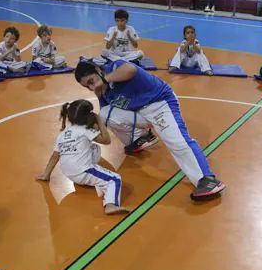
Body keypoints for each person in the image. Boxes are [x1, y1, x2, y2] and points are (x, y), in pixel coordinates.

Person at [74, 60, 226, 200]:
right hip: (139, 112)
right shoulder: (101, 90)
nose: (92, 87)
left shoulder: (114, 68)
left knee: (177, 142)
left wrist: (106, 79)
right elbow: (105, 115)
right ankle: (140, 139)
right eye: (87, 86)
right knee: (105, 114)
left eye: (91, 82)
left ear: (97, 70)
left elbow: (131, 69)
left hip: (160, 104)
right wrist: (87, 135)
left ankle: (207, 179)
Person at [37, 99, 129, 215]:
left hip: (68, 172)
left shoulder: (64, 133)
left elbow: (55, 155)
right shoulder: (86, 130)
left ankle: (86, 179)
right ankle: (111, 205)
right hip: (81, 170)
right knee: (114, 179)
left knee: (94, 148)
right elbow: (106, 140)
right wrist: (100, 121)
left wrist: (46, 174)